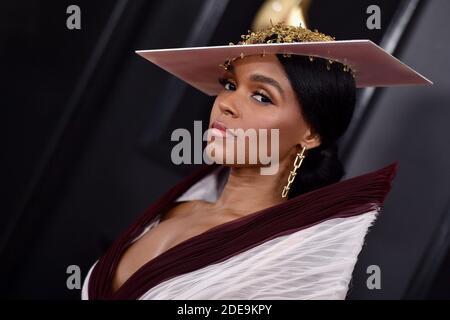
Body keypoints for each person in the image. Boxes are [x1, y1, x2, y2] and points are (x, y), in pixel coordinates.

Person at [82, 22, 431, 300]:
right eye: (230, 84)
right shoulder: (176, 209)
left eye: (262, 97)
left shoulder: (289, 264)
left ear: (310, 134)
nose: (226, 104)